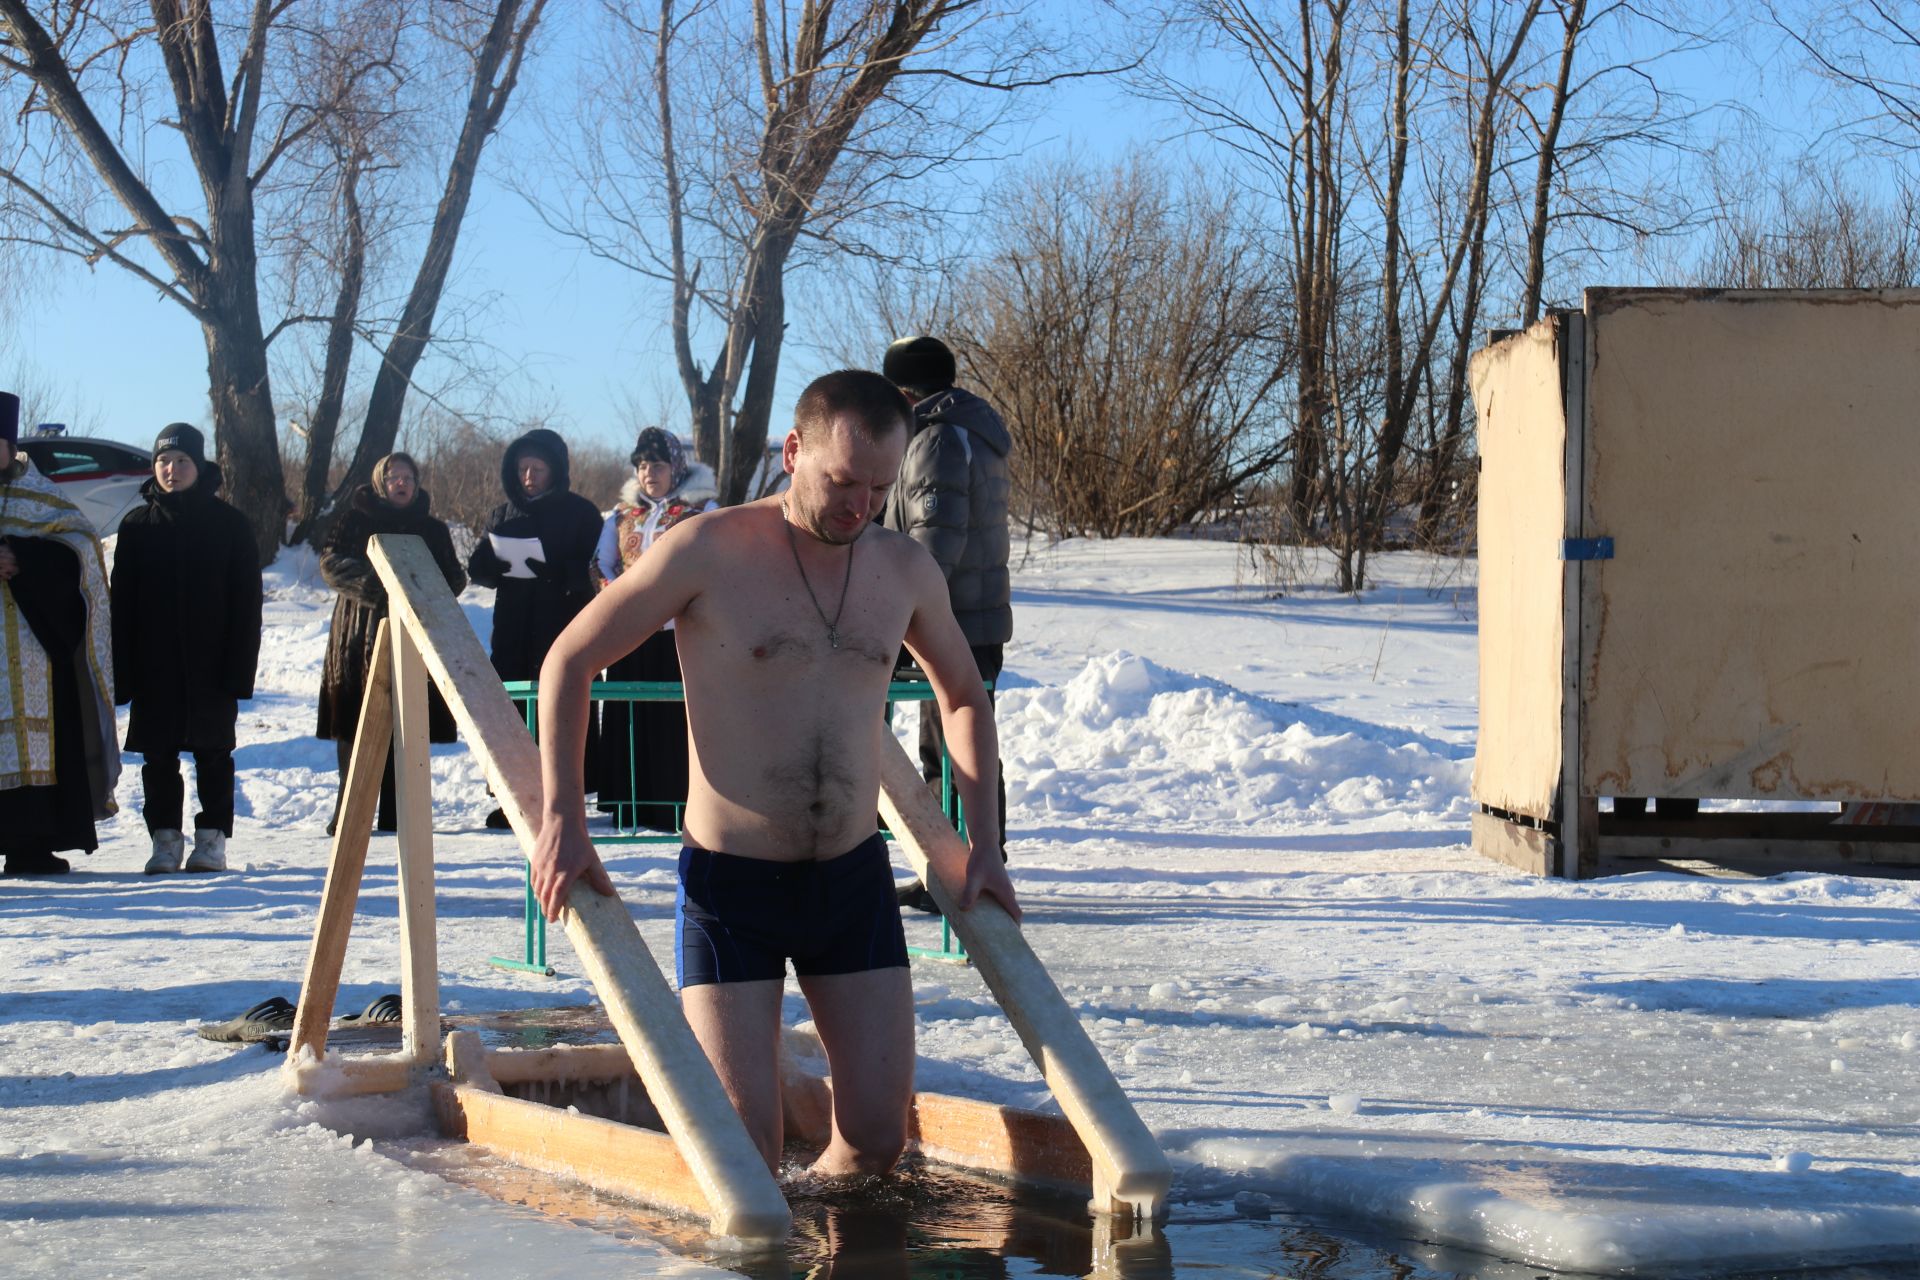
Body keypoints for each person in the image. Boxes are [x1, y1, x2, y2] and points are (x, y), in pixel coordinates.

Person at [530, 369, 1020, 1180]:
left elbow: (964, 696)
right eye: (841, 481)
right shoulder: (708, 550)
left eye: (878, 487)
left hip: (851, 883)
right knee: (741, 1158)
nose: (859, 506)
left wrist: (985, 844)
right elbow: (568, 661)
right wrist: (564, 821)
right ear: (794, 452)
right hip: (733, 892)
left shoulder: (902, 569)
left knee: (874, 1141)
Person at [879, 336, 1014, 912]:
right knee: (947, 740)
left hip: (952, 618)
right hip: (962, 615)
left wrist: (902, 607)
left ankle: (969, 865)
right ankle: (949, 863)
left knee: (959, 743)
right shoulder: (955, 429)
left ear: (905, 388)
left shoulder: (936, 438)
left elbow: (936, 543)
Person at [111, 423, 263, 873]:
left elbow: (246, 605)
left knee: (213, 752)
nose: (172, 470)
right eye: (163, 462)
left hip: (211, 663)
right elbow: (122, 606)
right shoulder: (137, 526)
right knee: (158, 755)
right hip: (154, 665)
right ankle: (164, 840)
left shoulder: (230, 525)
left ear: (199, 466)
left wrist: (239, 670)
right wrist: (124, 671)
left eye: (181, 462)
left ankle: (212, 839)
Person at [0, 390, 118, 876]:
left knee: (35, 739)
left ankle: (29, 843)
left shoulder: (39, 494)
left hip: (30, 646)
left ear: (9, 445)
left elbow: (83, 548)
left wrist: (24, 561)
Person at [317, 453, 466, 834]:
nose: (401, 483)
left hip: (414, 632)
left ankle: (401, 813)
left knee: (408, 722)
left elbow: (453, 577)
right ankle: (350, 812)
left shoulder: (431, 529)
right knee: (355, 722)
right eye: (394, 477)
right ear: (381, 481)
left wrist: (421, 591)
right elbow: (331, 562)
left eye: (408, 477)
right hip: (358, 634)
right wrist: (377, 585)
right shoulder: (355, 518)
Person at [468, 428, 604, 829]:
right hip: (512, 627)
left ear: (555, 470)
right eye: (522, 468)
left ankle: (562, 797)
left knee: (558, 708)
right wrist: (491, 565)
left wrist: (558, 573)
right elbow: (480, 566)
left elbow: (596, 571)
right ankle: (513, 796)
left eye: (537, 468)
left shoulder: (581, 513)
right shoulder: (503, 513)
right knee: (512, 709)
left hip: (561, 625)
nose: (528, 476)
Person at [592, 428, 717, 831]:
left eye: (657, 465)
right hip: (631, 634)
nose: (649, 472)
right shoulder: (623, 514)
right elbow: (601, 564)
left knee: (674, 719)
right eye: (642, 465)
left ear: (676, 468)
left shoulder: (701, 511)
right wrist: (621, 599)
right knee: (631, 715)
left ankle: (677, 804)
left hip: (679, 635)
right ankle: (630, 803)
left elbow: (714, 565)